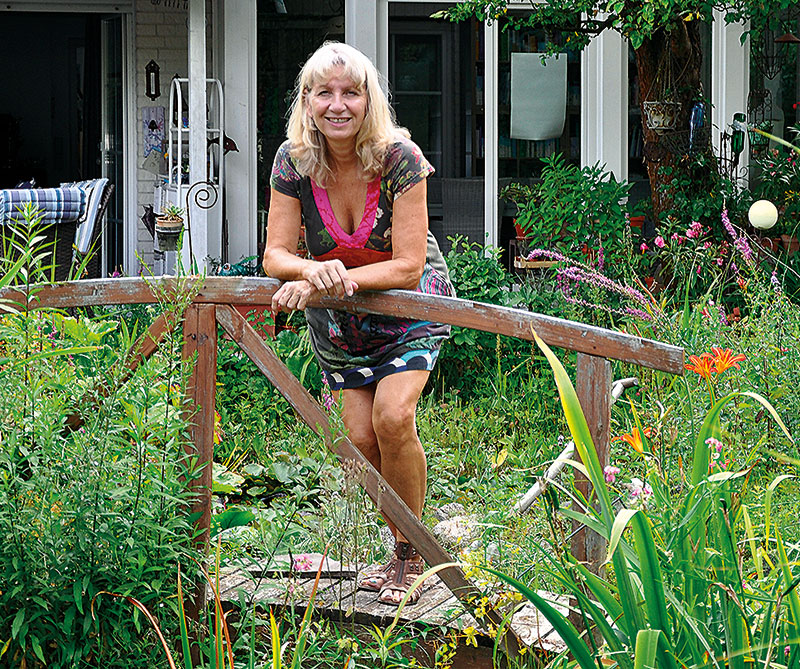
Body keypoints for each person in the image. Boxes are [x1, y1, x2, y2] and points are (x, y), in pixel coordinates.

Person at [262, 41, 454, 606]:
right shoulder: (292, 162)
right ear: (308, 99)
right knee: (361, 436)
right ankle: (399, 544)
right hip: (341, 318)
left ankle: (408, 556)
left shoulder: (399, 158)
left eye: (351, 92)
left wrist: (328, 272)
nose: (338, 104)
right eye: (325, 92)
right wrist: (312, 273)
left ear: (370, 99)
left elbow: (409, 263)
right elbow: (275, 255)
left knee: (394, 417)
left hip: (406, 306)